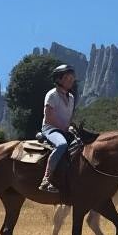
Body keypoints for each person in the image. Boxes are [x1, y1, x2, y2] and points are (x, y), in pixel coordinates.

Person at [39, 64, 79, 194]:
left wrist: (73, 127)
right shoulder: (52, 95)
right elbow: (49, 117)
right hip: (51, 129)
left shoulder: (71, 97)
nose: (71, 80)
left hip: (65, 129)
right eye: (68, 77)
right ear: (59, 79)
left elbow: (68, 118)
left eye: (72, 77)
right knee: (61, 145)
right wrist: (65, 128)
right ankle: (46, 179)